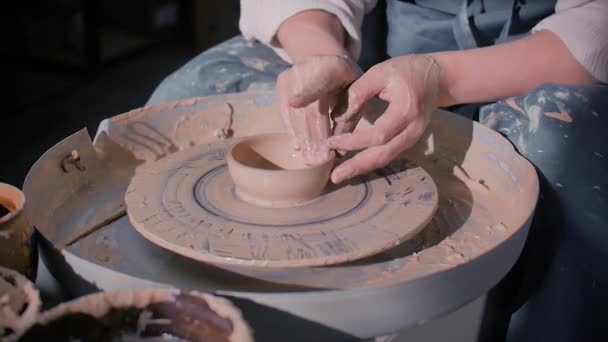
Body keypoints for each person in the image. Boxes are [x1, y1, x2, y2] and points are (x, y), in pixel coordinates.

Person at [147, 1, 607, 340]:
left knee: (568, 166)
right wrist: (319, 51)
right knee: (196, 90)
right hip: (380, 45)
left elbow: (594, 32)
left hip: (536, 60)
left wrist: (439, 79)